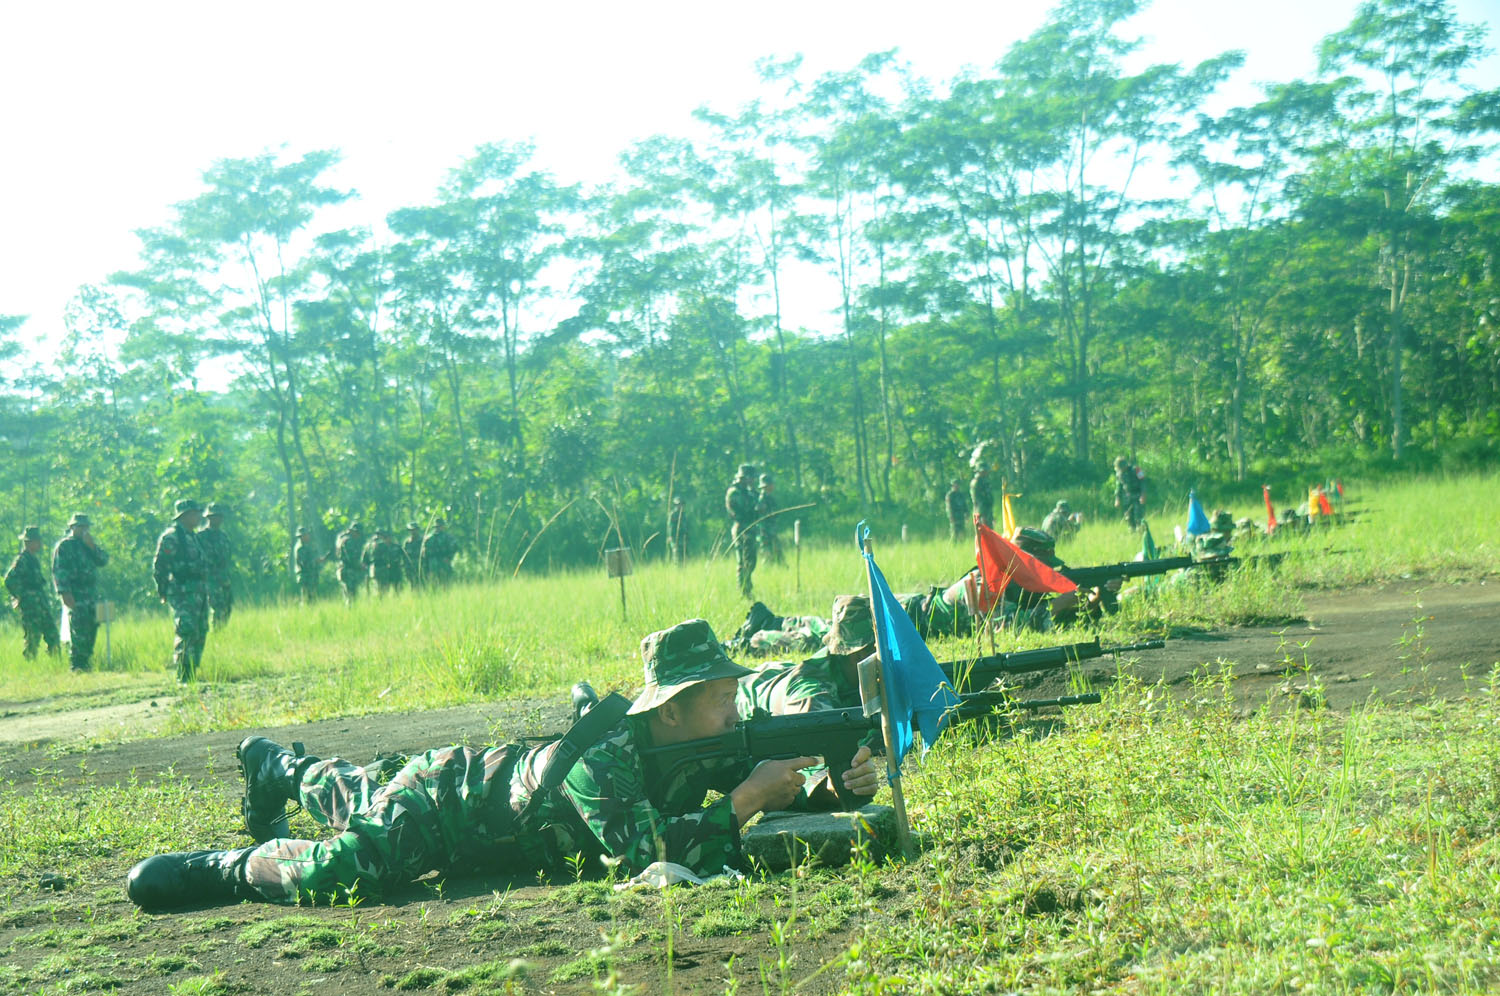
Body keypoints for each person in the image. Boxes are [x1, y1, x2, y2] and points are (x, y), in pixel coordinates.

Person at [123, 618, 879, 910]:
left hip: (476, 803)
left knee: (354, 790)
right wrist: (748, 799)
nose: (732, 713)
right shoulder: (607, 755)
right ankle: (225, 866)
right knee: (340, 870)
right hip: (444, 806)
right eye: (718, 700)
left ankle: (279, 767)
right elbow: (650, 860)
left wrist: (822, 787)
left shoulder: (692, 745)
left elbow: (737, 796)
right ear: (670, 707)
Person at [736, 595, 872, 717]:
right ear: (860, 655)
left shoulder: (853, 672)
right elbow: (820, 738)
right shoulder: (811, 693)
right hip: (741, 697)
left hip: (778, 674)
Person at [153, 499, 210, 683]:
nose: (199, 516)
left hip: (199, 592)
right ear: (185, 515)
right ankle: (183, 675)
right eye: (195, 513)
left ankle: (192, 673)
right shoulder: (172, 537)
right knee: (186, 630)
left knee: (200, 631)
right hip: (182, 592)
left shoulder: (194, 537)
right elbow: (160, 566)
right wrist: (162, 590)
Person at [52, 513, 109, 672]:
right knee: (78, 628)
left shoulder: (88, 545)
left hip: (90, 593)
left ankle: (86, 661)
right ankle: (77, 664)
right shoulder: (65, 546)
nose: (84, 530)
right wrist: (64, 593)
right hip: (75, 593)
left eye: (86, 527)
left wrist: (92, 546)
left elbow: (103, 560)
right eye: (80, 527)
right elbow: (59, 571)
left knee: (92, 627)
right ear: (72, 528)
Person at [5, 525, 60, 660]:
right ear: (29, 542)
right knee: (33, 638)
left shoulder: (33, 559)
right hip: (31, 607)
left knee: (52, 634)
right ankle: (29, 666)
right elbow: (9, 580)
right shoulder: (22, 560)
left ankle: (56, 665)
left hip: (41, 604)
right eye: (37, 541)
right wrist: (21, 596)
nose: (40, 544)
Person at [197, 503, 235, 629]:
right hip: (209, 578)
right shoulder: (200, 537)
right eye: (214, 516)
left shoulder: (224, 537)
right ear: (208, 518)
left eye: (219, 517)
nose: (217, 519)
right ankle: (217, 631)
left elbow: (228, 557)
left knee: (227, 606)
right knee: (217, 606)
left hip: (224, 577)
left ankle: (222, 630)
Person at [725, 464, 758, 598]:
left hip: (750, 528)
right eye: (751, 478)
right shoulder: (735, 492)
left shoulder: (747, 492)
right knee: (743, 561)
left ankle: (747, 587)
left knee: (751, 560)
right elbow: (740, 511)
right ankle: (744, 591)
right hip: (741, 529)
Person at [363, 529, 406, 596]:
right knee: (383, 589)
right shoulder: (381, 544)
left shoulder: (368, 545)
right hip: (382, 569)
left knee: (378, 588)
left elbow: (364, 561)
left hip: (374, 569)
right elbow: (388, 556)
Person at [420, 519, 459, 586]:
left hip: (444, 562)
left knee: (445, 582)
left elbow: (454, 548)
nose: (438, 528)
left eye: (440, 526)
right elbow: (424, 553)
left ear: (443, 527)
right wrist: (426, 564)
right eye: (437, 527)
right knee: (433, 582)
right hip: (432, 563)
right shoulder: (428, 538)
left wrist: (449, 558)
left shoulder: (448, 537)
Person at [334, 522, 365, 605]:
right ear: (353, 531)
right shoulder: (349, 541)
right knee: (352, 596)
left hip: (343, 570)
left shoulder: (341, 538)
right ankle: (351, 612)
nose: (359, 536)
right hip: (348, 571)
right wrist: (360, 565)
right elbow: (351, 558)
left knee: (347, 595)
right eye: (358, 533)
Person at [1113, 456, 1146, 531]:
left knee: (1139, 517)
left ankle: (1141, 532)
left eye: (1121, 468)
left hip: (1137, 496)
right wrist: (1117, 498)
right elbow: (1119, 486)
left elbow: (1143, 482)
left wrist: (1143, 495)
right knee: (1128, 517)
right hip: (1127, 498)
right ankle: (1132, 532)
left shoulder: (1136, 470)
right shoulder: (1119, 473)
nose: (1121, 470)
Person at [756, 474, 782, 565]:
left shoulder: (770, 498)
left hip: (771, 530)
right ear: (766, 486)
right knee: (767, 555)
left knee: (777, 552)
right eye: (771, 484)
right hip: (765, 531)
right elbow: (762, 516)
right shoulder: (761, 499)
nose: (773, 486)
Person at [293, 527, 324, 604]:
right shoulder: (300, 548)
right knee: (306, 599)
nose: (308, 536)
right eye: (305, 535)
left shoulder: (308, 546)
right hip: (305, 577)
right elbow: (304, 563)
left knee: (312, 598)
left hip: (312, 576)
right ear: (301, 536)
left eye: (307, 534)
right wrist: (315, 561)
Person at [969, 446, 996, 530]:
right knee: (983, 534)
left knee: (990, 533)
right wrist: (982, 515)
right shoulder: (976, 483)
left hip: (988, 512)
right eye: (983, 471)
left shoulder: (986, 482)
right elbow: (977, 500)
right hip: (981, 513)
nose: (986, 472)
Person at [667, 498, 688, 565]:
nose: (680, 506)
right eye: (679, 504)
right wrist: (670, 536)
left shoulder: (683, 514)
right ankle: (676, 567)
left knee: (684, 554)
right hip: (675, 537)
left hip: (683, 537)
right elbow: (670, 527)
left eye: (682, 504)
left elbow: (685, 526)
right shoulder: (673, 514)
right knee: (676, 553)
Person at [402, 522, 424, 586]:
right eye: (411, 530)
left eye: (414, 530)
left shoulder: (423, 541)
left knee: (423, 584)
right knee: (413, 584)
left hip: (421, 566)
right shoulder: (407, 542)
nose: (412, 532)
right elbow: (405, 556)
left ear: (417, 530)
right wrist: (406, 567)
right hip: (410, 567)